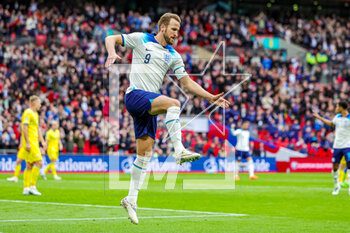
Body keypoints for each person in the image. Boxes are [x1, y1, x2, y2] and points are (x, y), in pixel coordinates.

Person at [105, 12, 229, 224]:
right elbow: (111, 38)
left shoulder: (173, 55)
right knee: (174, 104)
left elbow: (187, 82)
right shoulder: (141, 39)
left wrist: (210, 98)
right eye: (173, 29)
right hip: (135, 95)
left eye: (178, 31)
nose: (176, 34)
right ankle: (179, 150)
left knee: (144, 155)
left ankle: (131, 199)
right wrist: (111, 53)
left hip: (149, 104)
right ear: (162, 27)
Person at [312, 101, 350, 195]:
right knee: (335, 168)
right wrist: (320, 118)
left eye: (337, 106)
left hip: (348, 146)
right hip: (337, 146)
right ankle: (336, 186)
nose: (336, 108)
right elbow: (332, 124)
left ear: (342, 108)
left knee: (349, 167)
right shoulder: (337, 117)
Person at [19, 96, 47, 195]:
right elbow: (24, 128)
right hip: (31, 142)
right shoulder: (28, 112)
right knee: (39, 163)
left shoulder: (36, 114)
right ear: (34, 102)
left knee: (29, 165)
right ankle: (32, 186)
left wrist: (42, 141)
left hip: (34, 141)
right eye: (39, 103)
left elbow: (38, 128)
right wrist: (27, 142)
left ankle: (26, 188)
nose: (40, 105)